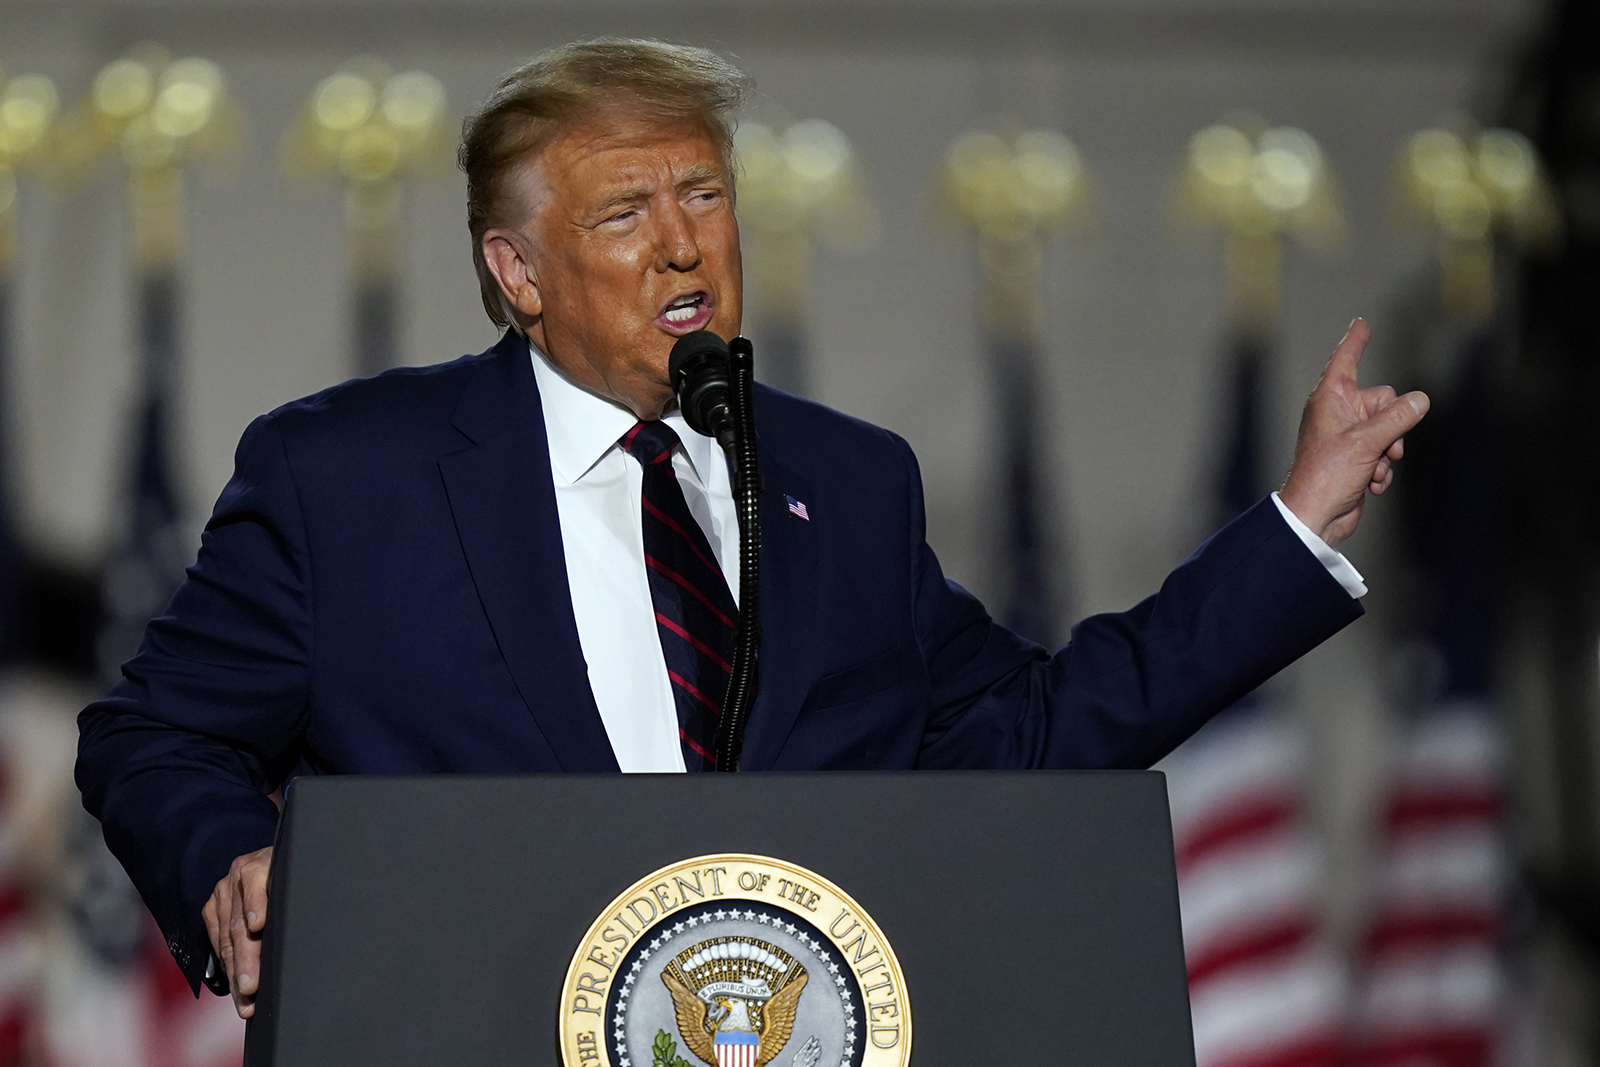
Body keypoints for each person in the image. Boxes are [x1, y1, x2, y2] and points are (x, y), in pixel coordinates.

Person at [75, 38, 1427, 1020]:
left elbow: (1023, 735)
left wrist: (1294, 527)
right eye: (625, 214)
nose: (684, 249)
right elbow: (151, 733)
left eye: (705, 197)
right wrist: (227, 863)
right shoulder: (351, 478)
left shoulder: (843, 482)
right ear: (516, 272)